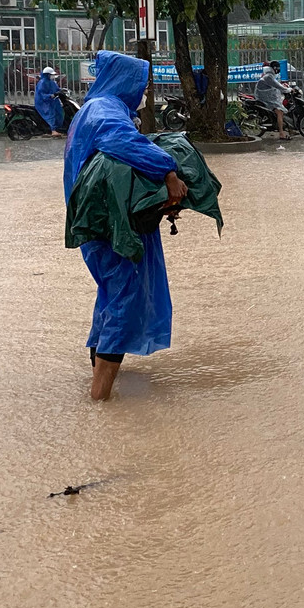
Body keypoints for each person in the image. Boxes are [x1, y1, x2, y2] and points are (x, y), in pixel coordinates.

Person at [63, 51, 187, 401]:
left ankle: (101, 382)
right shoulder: (104, 111)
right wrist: (168, 171)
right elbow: (125, 143)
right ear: (125, 82)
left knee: (112, 293)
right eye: (142, 84)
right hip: (109, 224)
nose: (145, 92)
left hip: (101, 220)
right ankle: (100, 397)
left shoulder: (98, 109)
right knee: (125, 298)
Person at [255, 60, 290, 139]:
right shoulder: (268, 77)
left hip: (268, 99)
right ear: (275, 68)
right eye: (278, 68)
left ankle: (288, 130)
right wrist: (288, 90)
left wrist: (284, 85)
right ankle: (281, 133)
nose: (279, 70)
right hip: (266, 100)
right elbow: (278, 86)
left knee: (281, 111)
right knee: (279, 112)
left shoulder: (270, 76)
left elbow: (276, 84)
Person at [35, 66, 65, 136]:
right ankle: (53, 130)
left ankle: (58, 128)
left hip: (53, 101)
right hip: (44, 103)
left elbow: (57, 89)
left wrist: (61, 91)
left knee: (59, 114)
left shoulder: (52, 82)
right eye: (51, 74)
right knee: (51, 114)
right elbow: (42, 94)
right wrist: (51, 95)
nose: (52, 76)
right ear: (47, 75)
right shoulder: (42, 83)